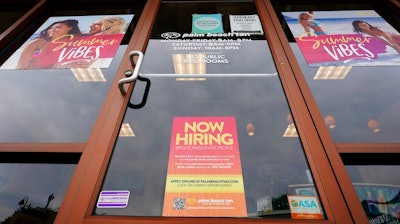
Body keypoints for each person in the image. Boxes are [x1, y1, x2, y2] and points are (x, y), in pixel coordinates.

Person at [17, 19, 82, 69]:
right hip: (29, 76)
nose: (52, 30)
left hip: (50, 78)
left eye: (58, 27)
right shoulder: (37, 43)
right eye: (51, 28)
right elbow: (21, 65)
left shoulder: (71, 45)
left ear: (70, 28)